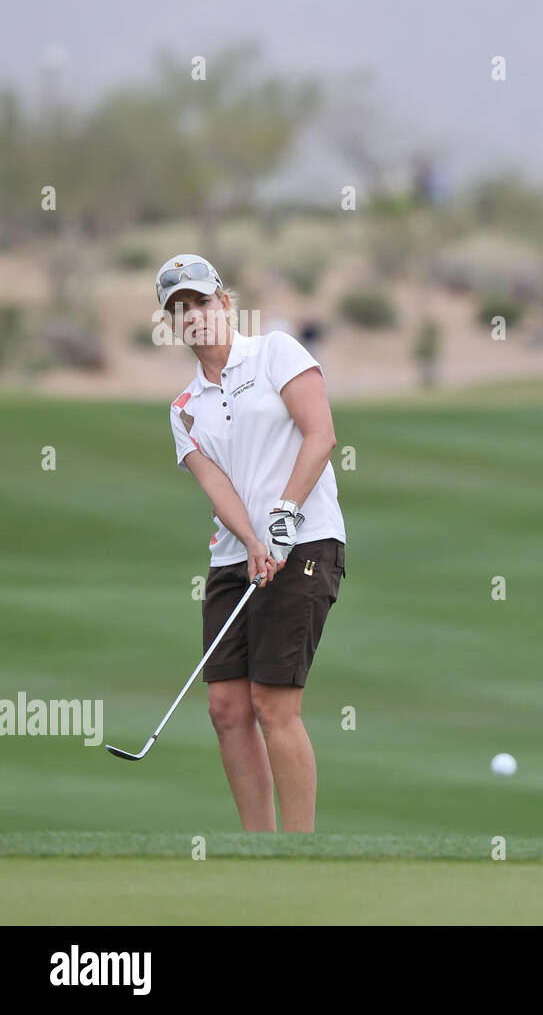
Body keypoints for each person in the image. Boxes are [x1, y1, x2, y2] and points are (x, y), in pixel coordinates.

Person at [157, 253, 346, 833]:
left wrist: (285, 514)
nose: (194, 317)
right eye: (180, 310)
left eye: (202, 302)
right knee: (226, 708)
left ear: (226, 303)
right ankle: (257, 849)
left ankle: (300, 851)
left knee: (272, 704)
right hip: (235, 556)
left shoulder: (276, 353)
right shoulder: (184, 409)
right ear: (171, 324)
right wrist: (252, 540)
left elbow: (321, 436)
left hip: (307, 543)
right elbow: (217, 485)